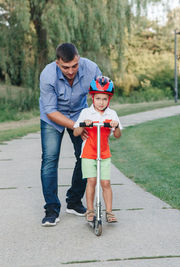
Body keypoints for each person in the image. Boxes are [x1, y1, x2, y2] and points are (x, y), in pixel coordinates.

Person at [39, 43, 102, 226]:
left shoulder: (91, 69)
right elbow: (50, 111)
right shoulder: (48, 75)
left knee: (86, 157)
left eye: (74, 65)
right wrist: (77, 126)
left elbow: (100, 96)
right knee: (50, 159)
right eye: (65, 67)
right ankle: (51, 209)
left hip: (79, 113)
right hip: (53, 118)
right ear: (57, 63)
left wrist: (94, 119)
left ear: (78, 58)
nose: (71, 71)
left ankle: (74, 202)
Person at [73, 76, 122, 223]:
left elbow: (118, 135)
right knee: (92, 181)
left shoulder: (112, 114)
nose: (101, 102)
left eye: (105, 99)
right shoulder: (86, 113)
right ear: (92, 97)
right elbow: (76, 132)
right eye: (98, 98)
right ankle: (90, 210)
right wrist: (83, 125)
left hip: (104, 153)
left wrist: (116, 126)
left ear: (109, 99)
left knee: (106, 183)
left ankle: (109, 212)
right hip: (89, 153)